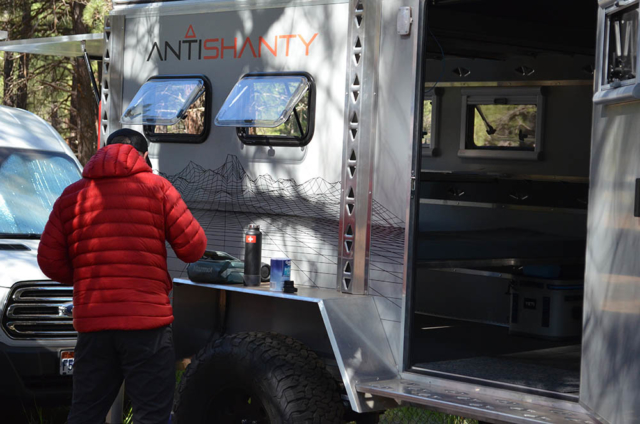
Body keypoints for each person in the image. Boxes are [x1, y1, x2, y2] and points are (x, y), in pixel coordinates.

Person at [37, 129, 207, 424]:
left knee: (85, 414)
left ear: (104, 151)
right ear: (144, 156)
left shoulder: (71, 195)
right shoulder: (158, 188)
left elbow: (49, 261)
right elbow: (193, 248)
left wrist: (87, 277)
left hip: (94, 326)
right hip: (147, 327)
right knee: (151, 416)